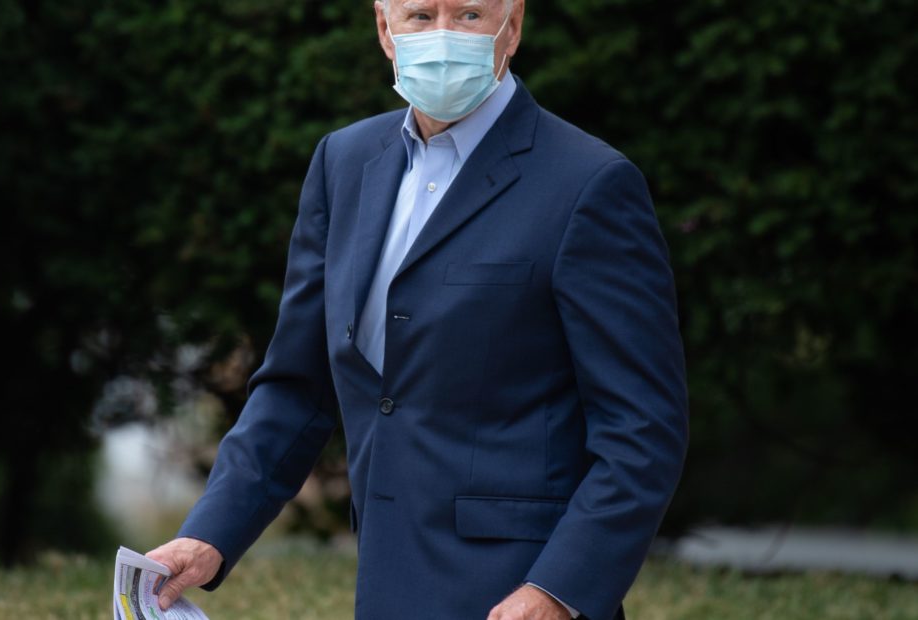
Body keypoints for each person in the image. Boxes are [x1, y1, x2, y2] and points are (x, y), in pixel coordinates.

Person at [147, 0, 688, 618]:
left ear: (512, 28)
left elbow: (643, 427)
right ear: (385, 29)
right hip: (386, 584)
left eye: (469, 15)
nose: (442, 36)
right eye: (420, 15)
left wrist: (559, 590)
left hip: (522, 592)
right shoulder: (343, 163)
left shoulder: (590, 182)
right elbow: (299, 387)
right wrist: (210, 534)